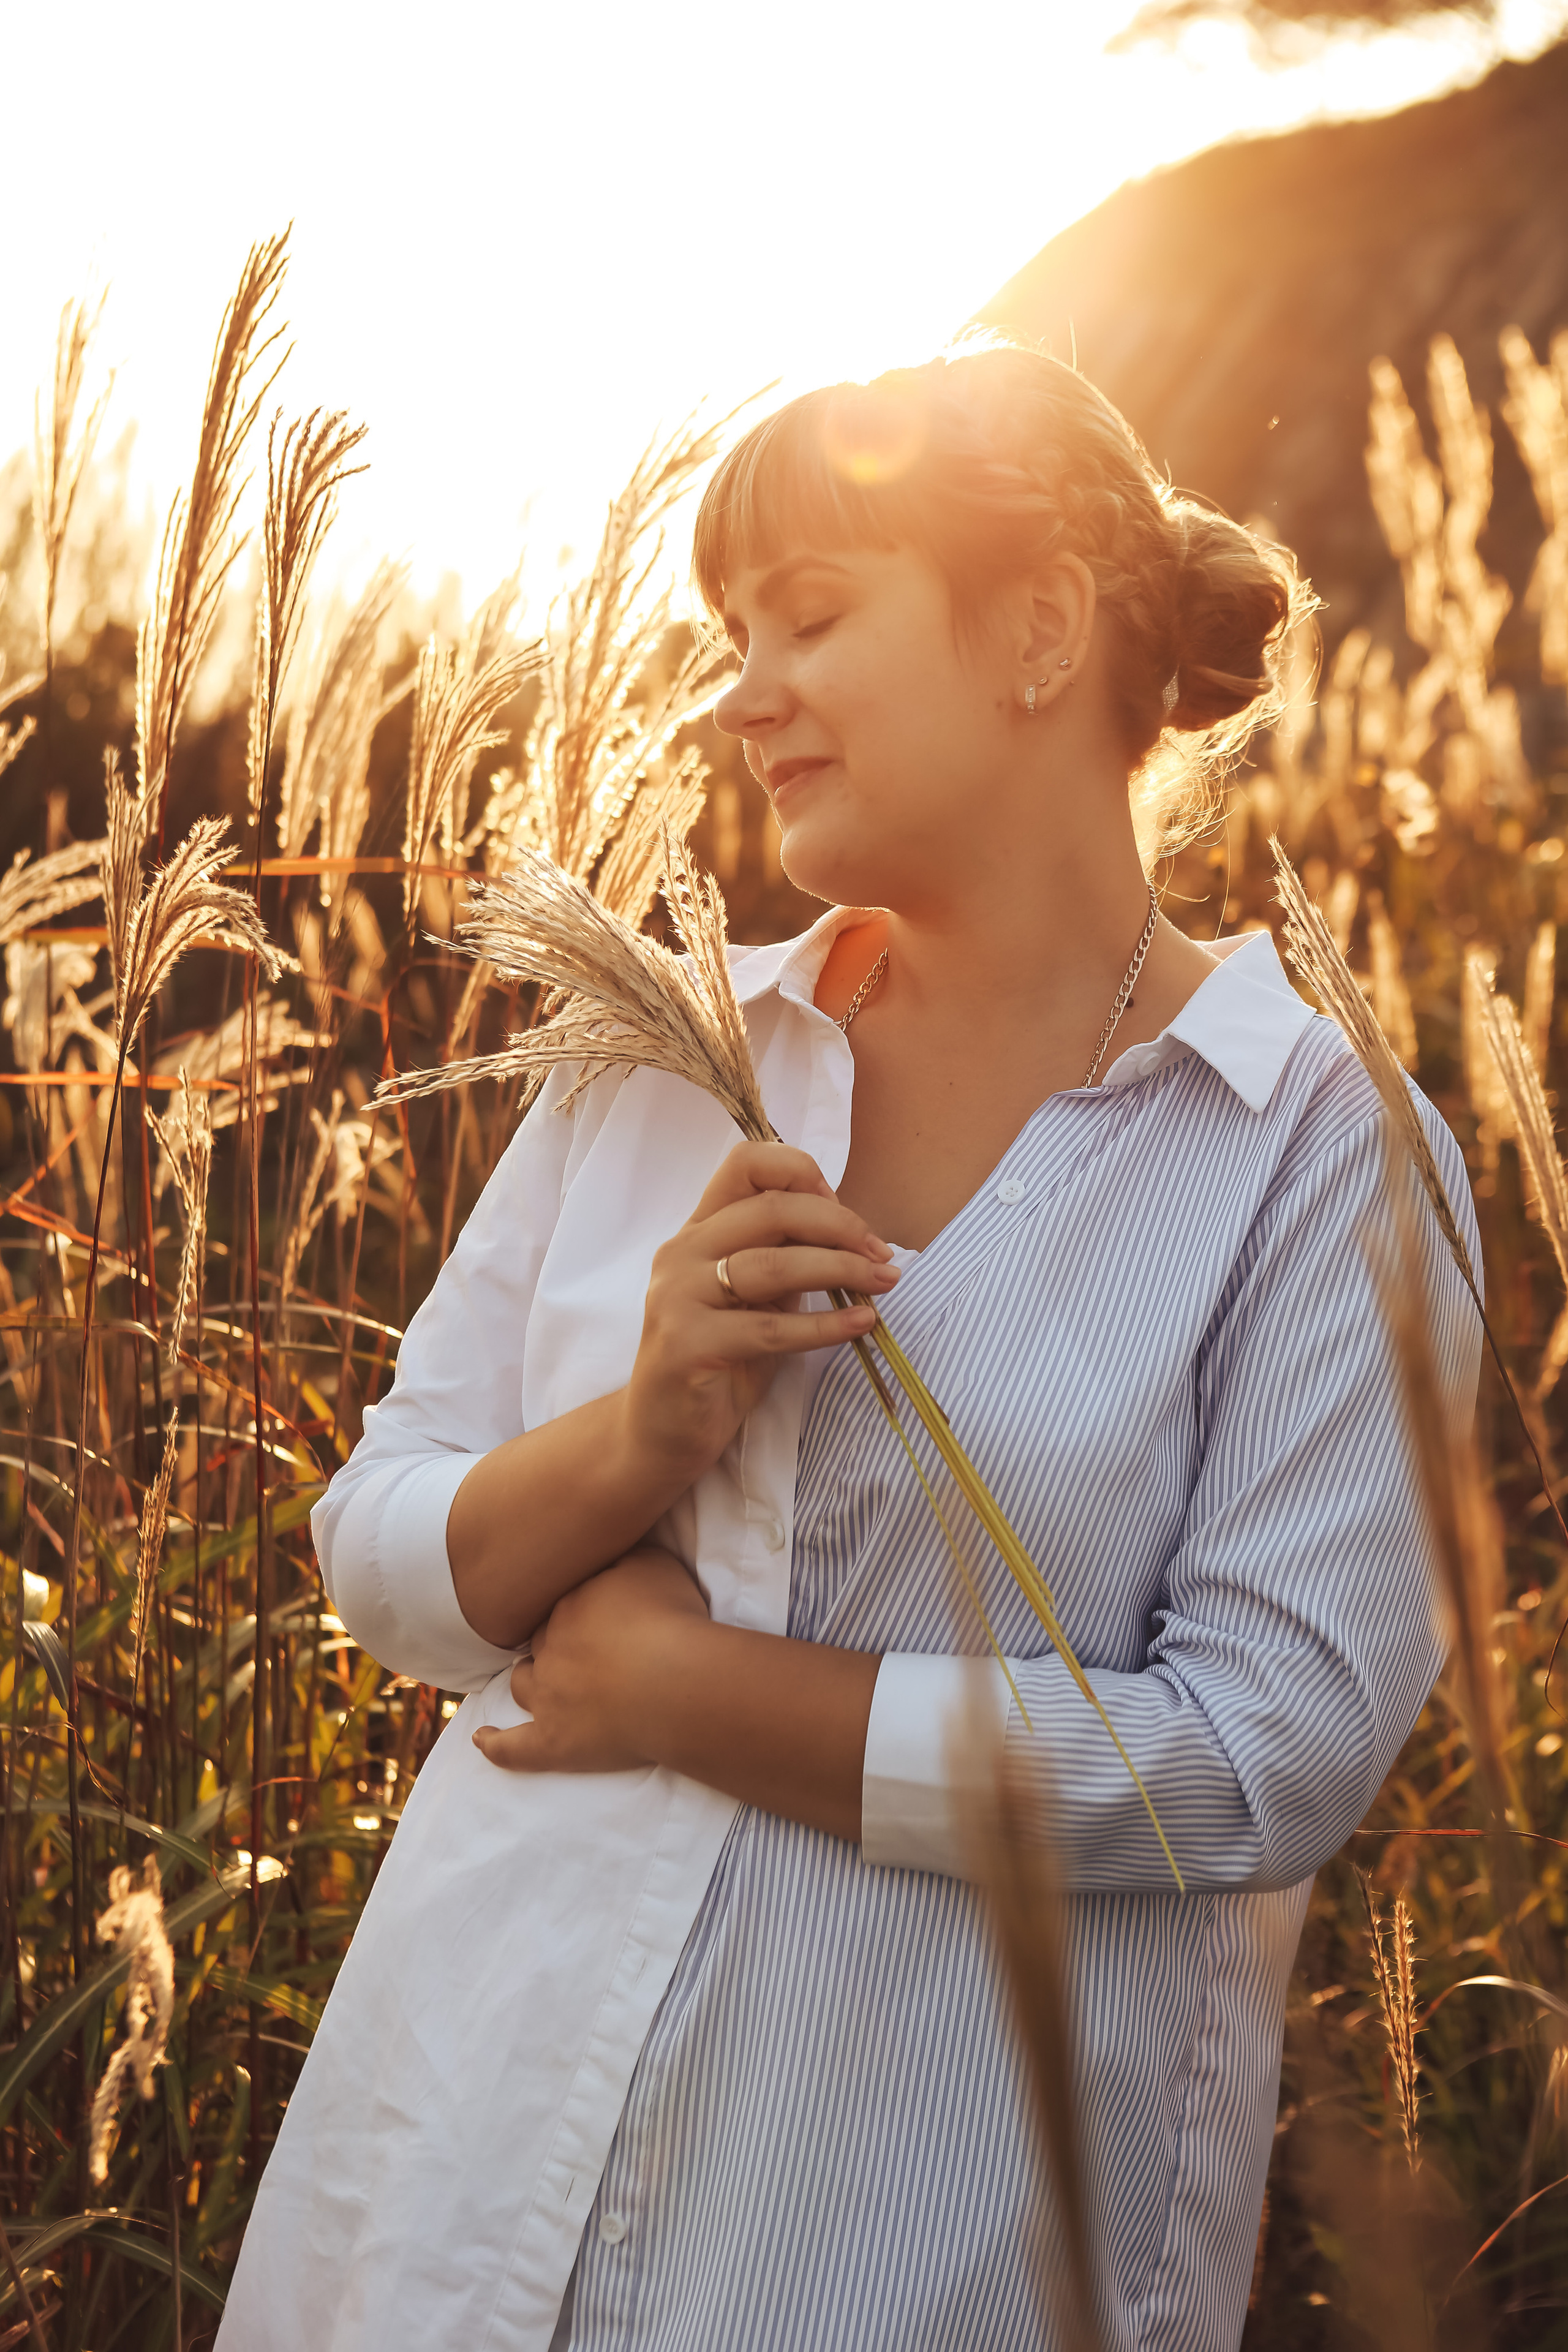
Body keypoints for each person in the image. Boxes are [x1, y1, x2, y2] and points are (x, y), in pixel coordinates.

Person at [217, 342, 1479, 2352]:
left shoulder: (1317, 1153)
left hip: (902, 2259)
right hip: (457, 2189)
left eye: (811, 617)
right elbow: (378, 1548)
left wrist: (693, 1686)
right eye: (732, 634)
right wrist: (637, 1440)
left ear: (1041, 629)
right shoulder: (658, 1054)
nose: (742, 692)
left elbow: (1264, 1760)